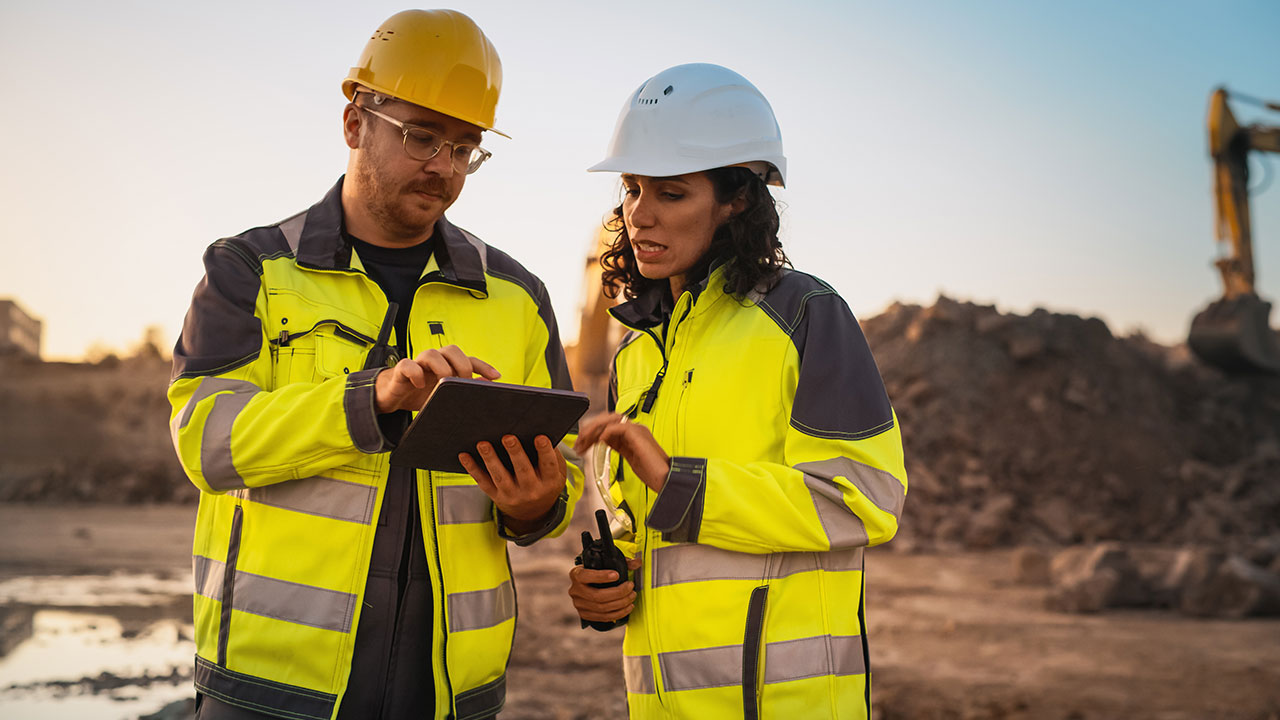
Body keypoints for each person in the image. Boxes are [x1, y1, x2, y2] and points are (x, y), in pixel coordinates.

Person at [168, 10, 581, 720]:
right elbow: (208, 440)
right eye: (422, 136)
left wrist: (536, 505)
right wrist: (374, 399)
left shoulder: (517, 297)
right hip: (270, 689)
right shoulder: (251, 269)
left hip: (448, 695)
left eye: (465, 148)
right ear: (355, 121)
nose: (444, 168)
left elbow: (557, 479)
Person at [567, 63, 908, 718]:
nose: (639, 215)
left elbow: (865, 498)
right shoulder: (637, 351)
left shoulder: (806, 314)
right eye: (632, 188)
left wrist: (681, 483)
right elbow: (645, 529)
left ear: (738, 200)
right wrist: (611, 579)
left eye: (670, 193)